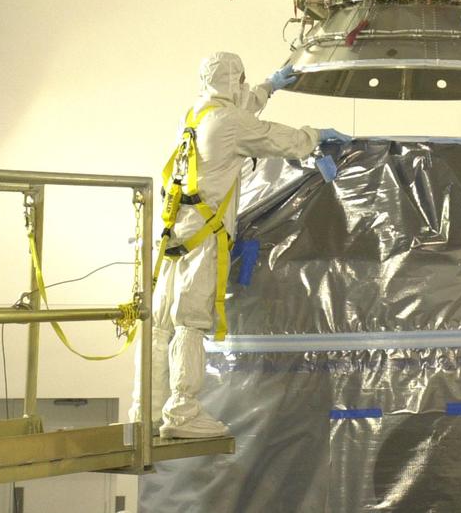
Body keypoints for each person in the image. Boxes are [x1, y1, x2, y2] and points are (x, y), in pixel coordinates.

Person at [133, 52, 350, 438]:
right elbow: (279, 139)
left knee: (162, 323)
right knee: (191, 322)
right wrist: (316, 136)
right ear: (232, 81)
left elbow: (237, 114)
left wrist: (269, 87)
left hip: (176, 234)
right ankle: (182, 412)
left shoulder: (198, 115)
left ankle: (144, 411)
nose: (245, 87)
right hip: (203, 237)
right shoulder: (229, 122)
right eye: (243, 81)